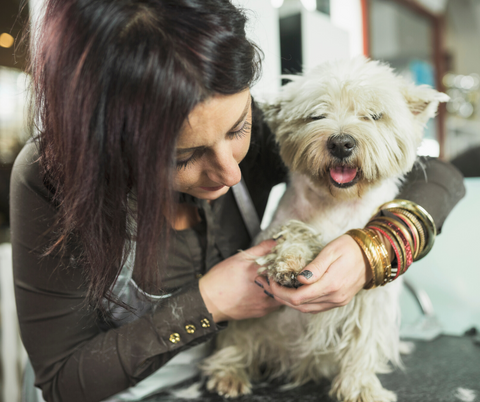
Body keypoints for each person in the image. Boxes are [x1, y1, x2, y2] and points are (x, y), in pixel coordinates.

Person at [10, 0, 465, 401]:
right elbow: (65, 381)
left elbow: (440, 175)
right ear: (109, 144)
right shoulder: (50, 179)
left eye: (237, 130)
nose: (230, 172)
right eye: (183, 156)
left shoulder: (269, 128)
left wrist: (377, 249)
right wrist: (208, 302)